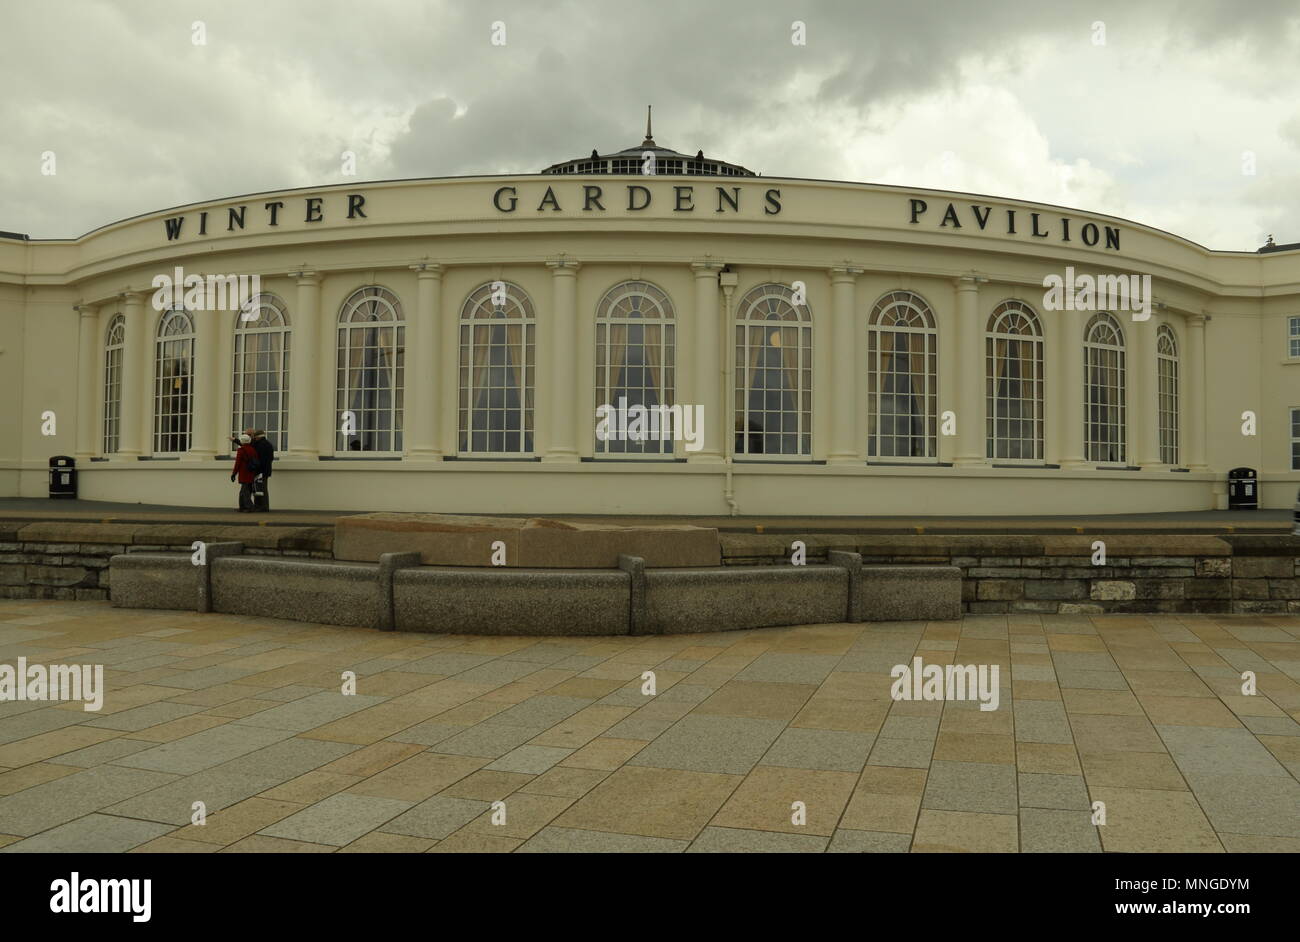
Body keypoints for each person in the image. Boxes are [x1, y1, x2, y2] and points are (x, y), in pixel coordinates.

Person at [231, 433, 259, 512]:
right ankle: (242, 507)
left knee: (245, 491)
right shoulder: (252, 449)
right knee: (245, 490)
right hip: (251, 472)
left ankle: (249, 507)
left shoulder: (241, 450)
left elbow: (238, 463)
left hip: (244, 472)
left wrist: (234, 473)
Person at [250, 429, 275, 512]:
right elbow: (270, 458)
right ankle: (263, 506)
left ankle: (261, 507)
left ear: (257, 437)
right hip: (266, 470)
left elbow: (258, 458)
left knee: (259, 489)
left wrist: (255, 469)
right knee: (263, 489)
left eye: (255, 437)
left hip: (260, 471)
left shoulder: (259, 445)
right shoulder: (268, 444)